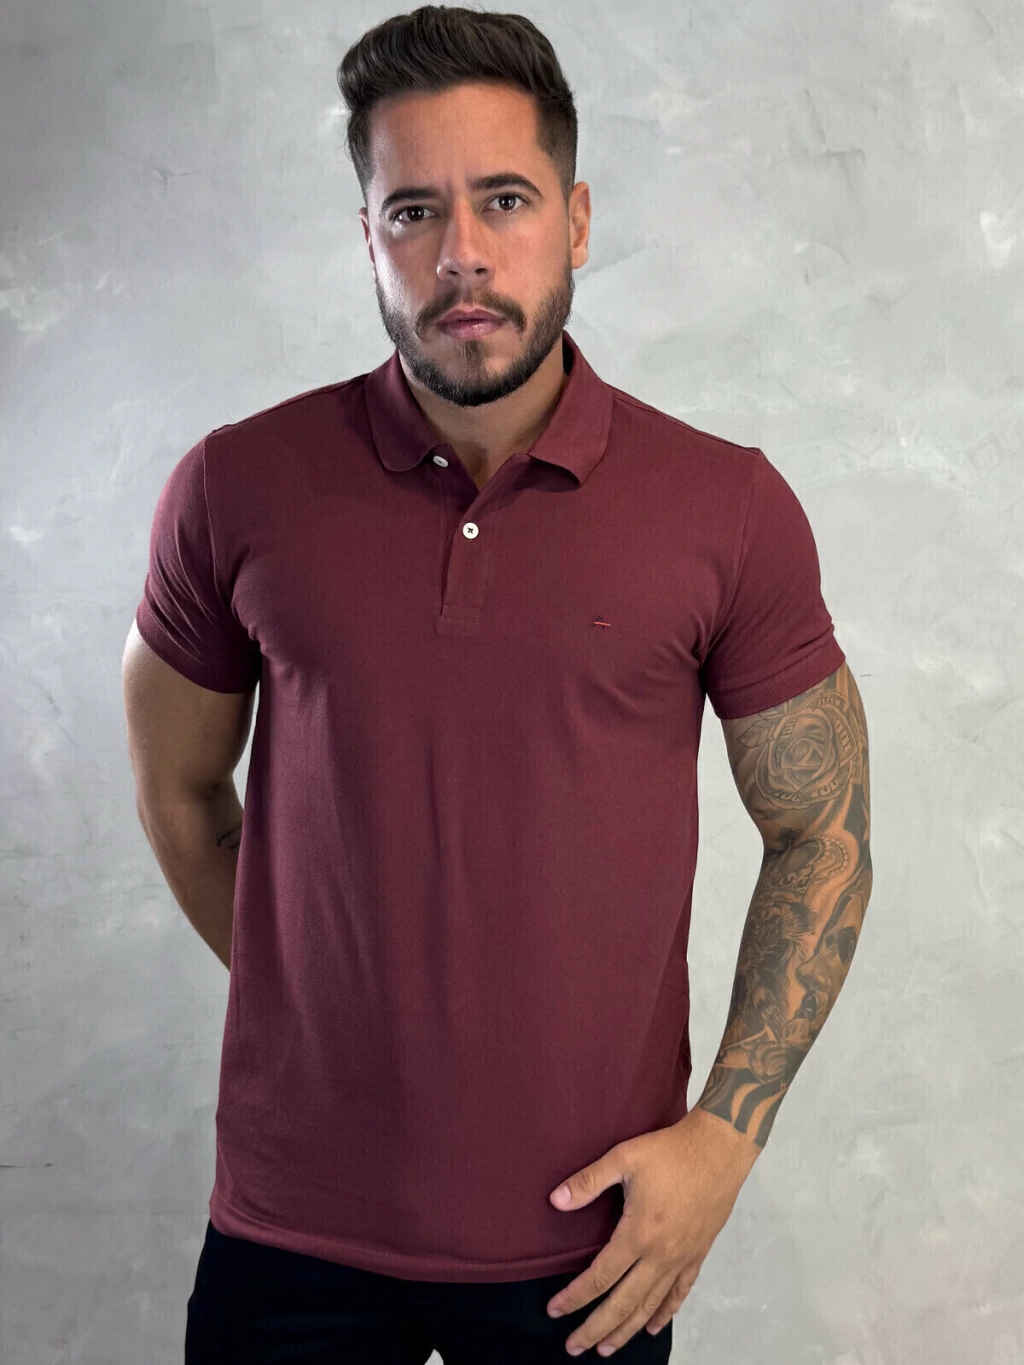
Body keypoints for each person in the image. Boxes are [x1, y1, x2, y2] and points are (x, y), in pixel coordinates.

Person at [122, 6, 872, 1362]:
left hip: (589, 1253)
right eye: (413, 211)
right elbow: (179, 789)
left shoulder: (726, 508)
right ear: (368, 237)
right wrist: (328, 998)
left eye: (505, 200)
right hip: (290, 1238)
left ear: (575, 222)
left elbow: (820, 829)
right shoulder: (235, 487)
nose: (461, 252)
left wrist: (724, 1137)